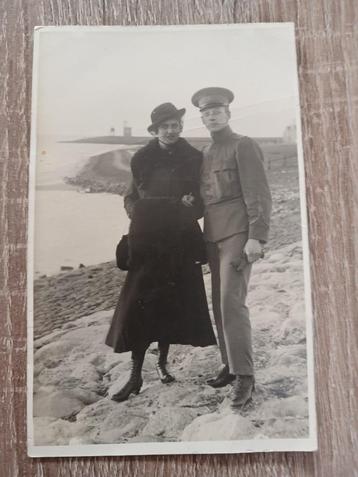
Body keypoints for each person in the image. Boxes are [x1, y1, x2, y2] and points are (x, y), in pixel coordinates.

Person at [105, 102, 216, 402]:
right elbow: (131, 197)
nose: (171, 130)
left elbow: (199, 202)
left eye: (175, 125)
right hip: (148, 242)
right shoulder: (142, 158)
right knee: (140, 307)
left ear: (180, 127)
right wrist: (139, 213)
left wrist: (188, 206)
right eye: (165, 126)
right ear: (155, 130)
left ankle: (163, 364)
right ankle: (135, 376)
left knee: (171, 304)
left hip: (179, 241)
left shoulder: (193, 157)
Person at [191, 87, 272, 409]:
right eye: (206, 113)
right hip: (212, 234)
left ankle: (245, 376)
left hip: (239, 232)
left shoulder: (244, 145)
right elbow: (205, 197)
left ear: (228, 113)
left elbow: (259, 193)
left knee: (231, 303)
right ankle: (229, 364)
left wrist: (258, 236)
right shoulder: (206, 152)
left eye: (216, 111)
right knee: (217, 302)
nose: (211, 116)